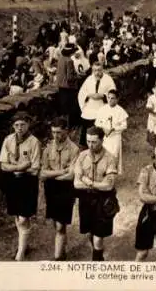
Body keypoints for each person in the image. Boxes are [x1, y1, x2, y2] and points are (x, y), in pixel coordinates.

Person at [0, 111, 42, 261]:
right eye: (16, 125)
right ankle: (23, 244)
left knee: (24, 218)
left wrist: (17, 167)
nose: (19, 128)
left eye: (23, 124)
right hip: (12, 181)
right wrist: (21, 166)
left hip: (27, 183)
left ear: (28, 124)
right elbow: (3, 165)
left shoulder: (34, 142)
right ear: (13, 126)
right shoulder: (8, 140)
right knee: (17, 215)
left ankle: (20, 253)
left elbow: (35, 169)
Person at [73, 126, 119, 261]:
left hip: (103, 201)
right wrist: (96, 184)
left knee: (99, 237)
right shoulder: (82, 156)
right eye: (88, 141)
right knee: (91, 233)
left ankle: (97, 262)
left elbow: (108, 185)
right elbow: (76, 183)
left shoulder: (110, 158)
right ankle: (97, 253)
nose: (90, 145)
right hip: (86, 200)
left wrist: (88, 182)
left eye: (94, 142)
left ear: (102, 140)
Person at [40, 117, 80, 260]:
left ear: (66, 131)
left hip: (66, 189)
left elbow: (71, 176)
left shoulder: (74, 150)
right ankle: (62, 248)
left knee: (60, 225)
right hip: (51, 189)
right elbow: (43, 173)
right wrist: (61, 172)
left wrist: (52, 175)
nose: (55, 136)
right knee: (55, 222)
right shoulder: (48, 148)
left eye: (58, 132)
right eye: (53, 132)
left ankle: (58, 258)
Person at [78, 62, 116, 148]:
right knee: (87, 125)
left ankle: (102, 144)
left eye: (99, 70)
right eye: (94, 70)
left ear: (102, 70)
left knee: (101, 126)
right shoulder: (89, 79)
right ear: (92, 70)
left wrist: (103, 96)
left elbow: (113, 93)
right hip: (90, 107)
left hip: (102, 106)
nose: (97, 73)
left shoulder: (108, 79)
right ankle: (86, 145)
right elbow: (81, 93)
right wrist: (89, 95)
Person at [94, 89, 129, 175]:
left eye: (112, 98)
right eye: (108, 98)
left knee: (113, 155)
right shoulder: (102, 109)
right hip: (104, 137)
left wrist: (114, 128)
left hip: (115, 137)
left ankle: (111, 173)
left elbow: (124, 125)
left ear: (117, 99)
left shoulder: (120, 111)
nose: (110, 100)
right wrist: (103, 128)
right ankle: (102, 173)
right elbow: (97, 122)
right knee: (103, 154)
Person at [56, 43, 80, 128]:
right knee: (72, 107)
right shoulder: (69, 61)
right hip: (69, 87)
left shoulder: (61, 59)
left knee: (64, 106)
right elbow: (70, 77)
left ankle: (64, 125)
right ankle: (72, 125)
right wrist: (78, 76)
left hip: (61, 85)